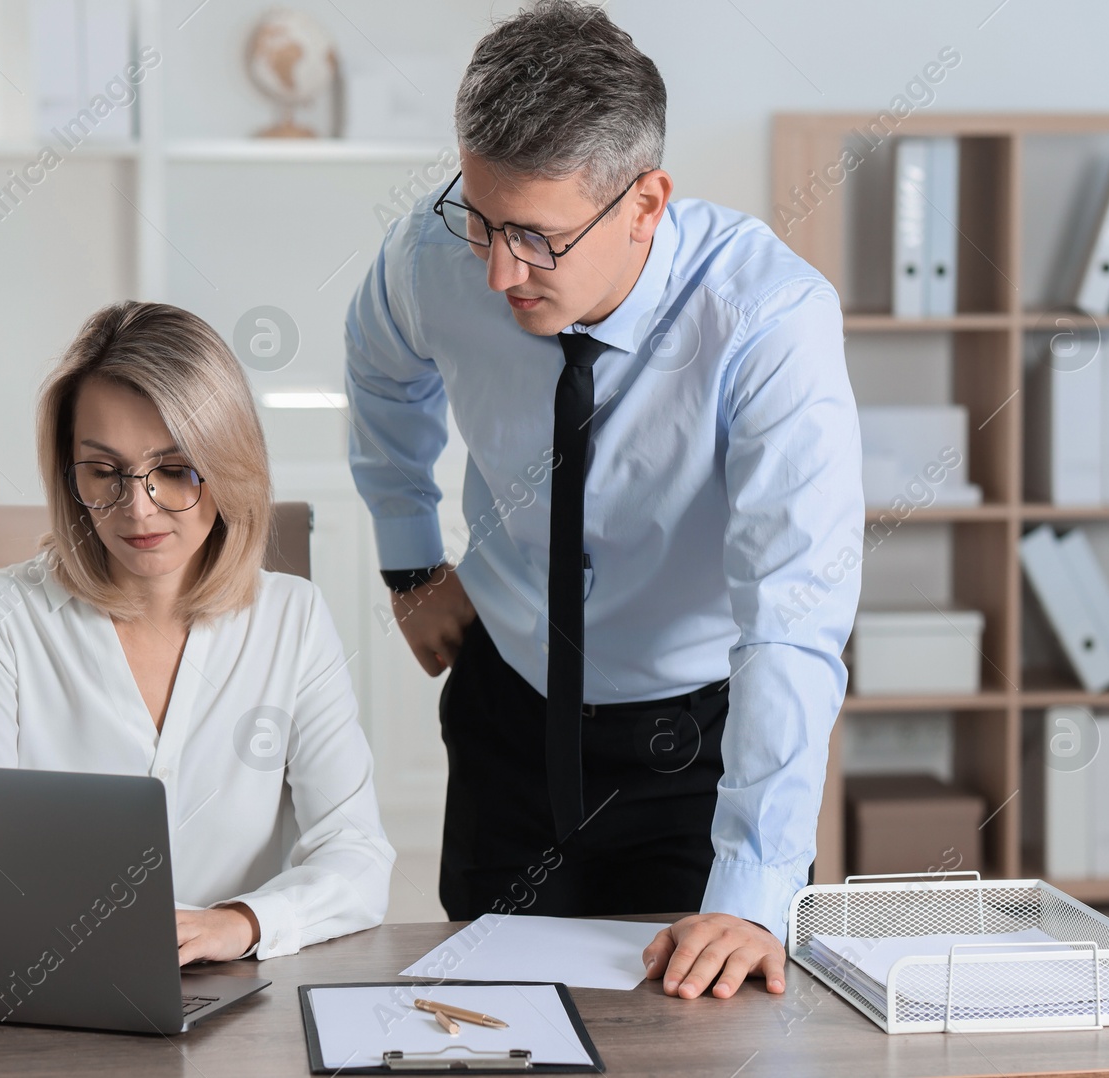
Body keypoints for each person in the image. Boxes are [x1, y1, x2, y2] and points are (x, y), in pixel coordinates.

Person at [344, 1, 861, 1002]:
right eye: (480, 219)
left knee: (696, 1034)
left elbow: (791, 616)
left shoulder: (767, 321)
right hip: (508, 706)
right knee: (485, 1028)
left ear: (645, 202)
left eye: (534, 238)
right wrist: (410, 557)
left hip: (691, 746)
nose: (497, 271)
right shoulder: (430, 253)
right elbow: (380, 373)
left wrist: (753, 887)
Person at [0, 300, 393, 963]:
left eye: (174, 469)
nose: (137, 509)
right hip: (46, 985)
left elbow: (357, 855)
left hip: (237, 999)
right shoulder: (0, 619)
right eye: (105, 472)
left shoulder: (292, 619)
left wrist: (242, 922)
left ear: (228, 466)